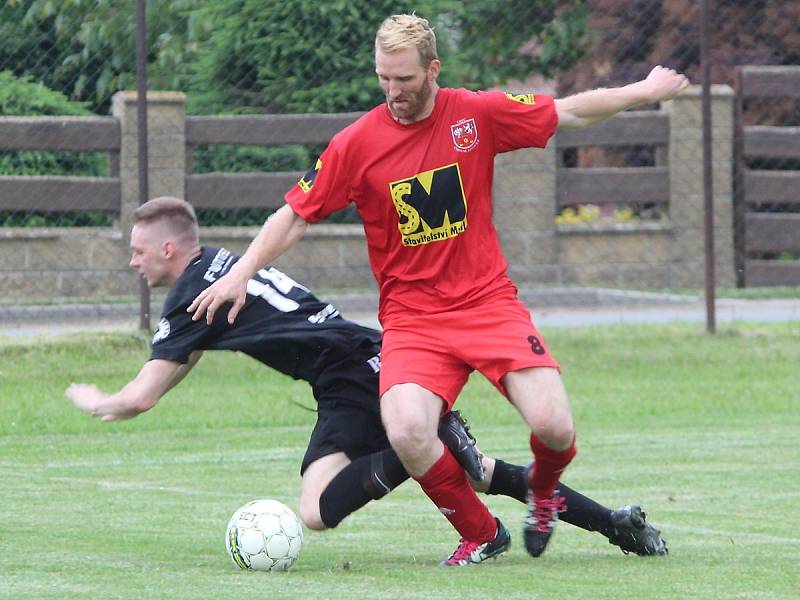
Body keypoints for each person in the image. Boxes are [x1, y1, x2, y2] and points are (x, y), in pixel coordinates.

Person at [187, 14, 687, 566]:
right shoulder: (357, 144)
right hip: (413, 321)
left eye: (403, 79)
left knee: (554, 426)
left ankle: (543, 494)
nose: (392, 92)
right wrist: (241, 273)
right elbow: (294, 215)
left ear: (433, 69)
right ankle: (480, 532)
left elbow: (568, 111)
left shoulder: (475, 113)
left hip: (487, 304)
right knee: (406, 430)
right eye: (383, 78)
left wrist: (645, 90)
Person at [67, 196, 667, 560]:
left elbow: (143, 398)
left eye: (138, 251)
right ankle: (613, 523)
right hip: (347, 371)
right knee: (356, 501)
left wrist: (101, 402)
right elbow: (190, 357)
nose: (133, 261)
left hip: (353, 371)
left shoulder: (189, 295)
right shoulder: (221, 265)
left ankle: (419, 450)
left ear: (169, 249)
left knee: (396, 486)